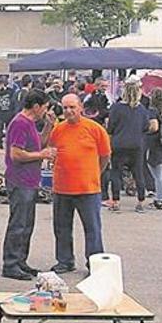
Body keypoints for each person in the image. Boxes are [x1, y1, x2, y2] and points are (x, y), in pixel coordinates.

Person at [48, 94, 111, 274]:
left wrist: (95, 173)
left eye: (72, 107)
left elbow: (105, 155)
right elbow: (51, 150)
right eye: (65, 108)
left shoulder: (95, 129)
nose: (68, 111)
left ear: (81, 107)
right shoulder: (58, 130)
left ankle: (94, 262)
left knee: (92, 228)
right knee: (62, 228)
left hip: (88, 189)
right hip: (62, 188)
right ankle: (65, 260)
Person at [1, 90, 57, 281]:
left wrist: (48, 127)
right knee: (19, 223)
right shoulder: (20, 123)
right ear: (36, 106)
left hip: (30, 180)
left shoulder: (30, 124)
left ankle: (20, 261)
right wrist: (41, 156)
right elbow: (16, 154)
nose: (46, 111)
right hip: (19, 179)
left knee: (27, 224)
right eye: (45, 107)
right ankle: (10, 263)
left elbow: (38, 144)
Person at [106, 81, 155, 214]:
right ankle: (140, 202)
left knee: (116, 172)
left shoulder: (116, 108)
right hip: (136, 144)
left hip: (119, 144)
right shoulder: (142, 109)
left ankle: (116, 201)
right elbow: (146, 127)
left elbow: (110, 127)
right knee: (138, 173)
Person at [0, 79, 14, 149]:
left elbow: (13, 99)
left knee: (9, 129)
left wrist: (5, 89)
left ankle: (9, 143)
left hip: (8, 113)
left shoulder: (10, 91)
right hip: (0, 114)